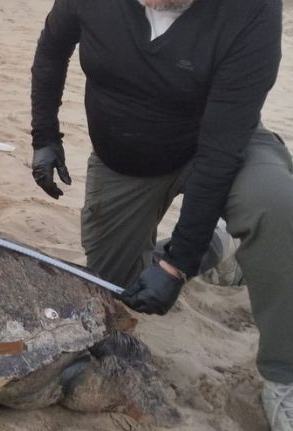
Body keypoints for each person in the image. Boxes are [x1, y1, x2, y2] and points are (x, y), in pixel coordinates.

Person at [29, 0, 292, 428]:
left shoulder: (252, 10)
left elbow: (219, 151)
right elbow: (52, 49)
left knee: (278, 205)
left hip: (221, 144)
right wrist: (45, 136)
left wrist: (175, 264)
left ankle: (286, 376)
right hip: (126, 159)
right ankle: (218, 245)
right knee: (109, 300)